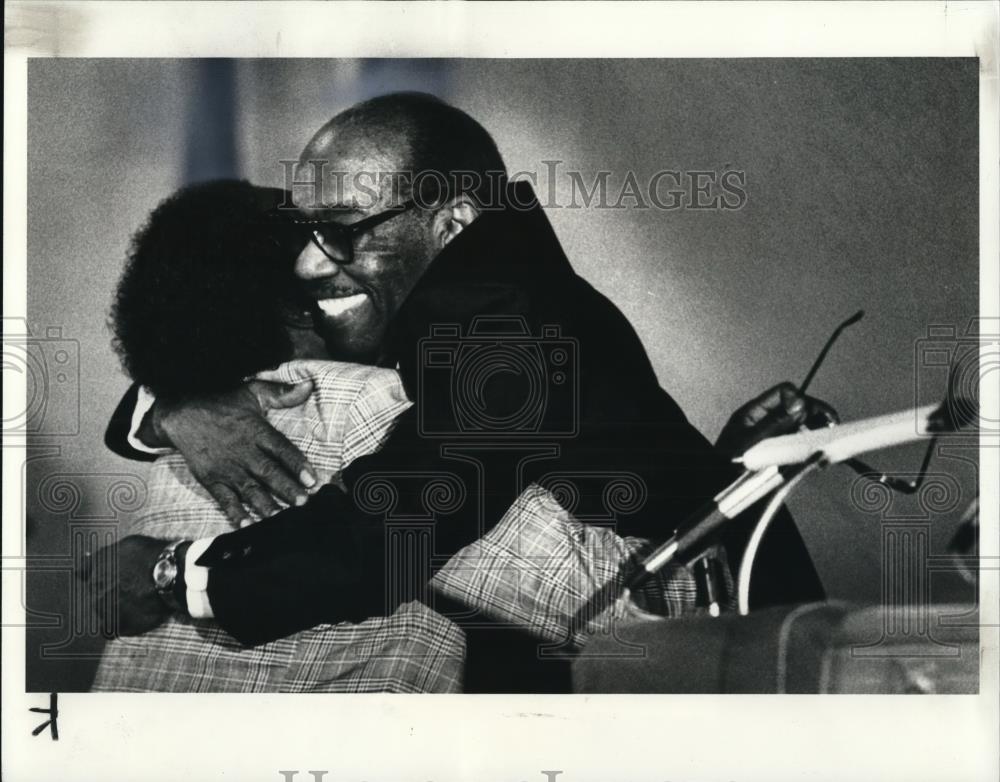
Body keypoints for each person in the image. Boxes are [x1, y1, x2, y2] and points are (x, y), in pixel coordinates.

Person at [91, 94, 828, 675]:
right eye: (308, 233)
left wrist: (166, 574)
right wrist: (182, 403)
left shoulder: (503, 322)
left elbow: (394, 525)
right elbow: (196, 316)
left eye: (342, 230)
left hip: (716, 656)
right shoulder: (493, 296)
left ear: (455, 223)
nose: (311, 265)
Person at [92, 177, 701, 692]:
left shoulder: (180, 435)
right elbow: (623, 614)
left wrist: (175, 407)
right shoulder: (370, 409)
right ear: (300, 303)